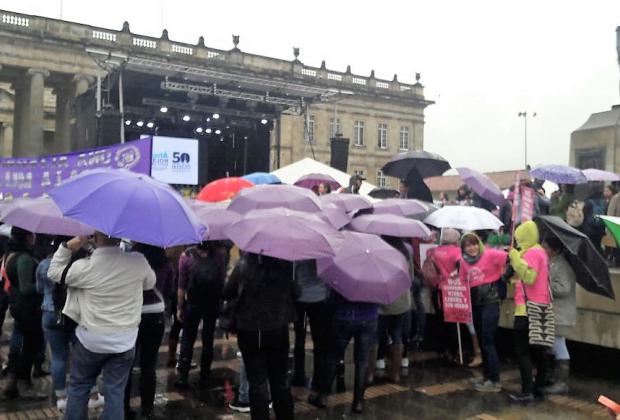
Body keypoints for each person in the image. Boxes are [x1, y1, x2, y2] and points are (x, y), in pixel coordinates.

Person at [47, 233, 156, 420]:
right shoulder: (138, 261)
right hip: (125, 340)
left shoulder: (84, 267)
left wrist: (68, 246)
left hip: (91, 340)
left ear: (94, 238)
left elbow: (54, 272)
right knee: (115, 391)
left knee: (79, 386)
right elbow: (150, 283)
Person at [36, 236, 104, 411]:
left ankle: (61, 398)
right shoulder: (81, 262)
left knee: (58, 357)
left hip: (50, 313)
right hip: (74, 314)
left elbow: (39, 289)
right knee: (82, 356)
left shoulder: (44, 264)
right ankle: (93, 394)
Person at [230, 253, 296, 420]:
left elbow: (228, 291)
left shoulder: (244, 264)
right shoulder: (286, 264)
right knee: (280, 380)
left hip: (251, 329)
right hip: (278, 328)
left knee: (257, 382)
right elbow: (297, 292)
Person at [125, 243, 175, 418]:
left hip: (133, 313)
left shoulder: (131, 259)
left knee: (128, 364)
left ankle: (124, 408)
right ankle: (147, 409)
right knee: (149, 364)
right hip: (156, 315)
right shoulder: (166, 264)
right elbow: (169, 291)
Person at [309, 289, 378, 414]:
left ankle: (323, 396)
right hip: (369, 318)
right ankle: (358, 403)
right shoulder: (378, 274)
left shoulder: (346, 270)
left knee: (333, 357)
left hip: (345, 317)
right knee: (362, 362)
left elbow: (333, 298)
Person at [507, 221, 552, 404]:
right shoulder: (539, 251)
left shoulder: (532, 252)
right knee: (537, 350)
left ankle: (527, 392)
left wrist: (515, 257)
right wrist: (514, 281)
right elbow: (530, 280)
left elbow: (530, 277)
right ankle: (539, 387)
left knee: (522, 352)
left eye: (519, 238)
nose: (517, 242)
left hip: (526, 311)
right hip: (538, 306)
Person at [1, 227, 46, 400]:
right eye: (32, 234)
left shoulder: (11, 255)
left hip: (20, 306)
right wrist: (44, 285)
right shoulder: (25, 259)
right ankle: (23, 384)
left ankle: (12, 384)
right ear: (26, 237)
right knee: (29, 346)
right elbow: (27, 287)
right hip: (28, 308)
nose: (35, 236)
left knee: (22, 345)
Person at [175, 241, 227, 389]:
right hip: (212, 304)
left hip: (193, 303)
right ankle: (205, 376)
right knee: (208, 338)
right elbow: (222, 280)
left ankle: (183, 377)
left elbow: (181, 285)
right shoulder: (219, 256)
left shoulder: (186, 256)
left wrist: (179, 307)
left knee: (187, 338)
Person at [459, 233, 507, 393]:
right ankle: (487, 376)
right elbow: (463, 280)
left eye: (474, 244)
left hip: (490, 301)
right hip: (475, 303)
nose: (472, 248)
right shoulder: (463, 262)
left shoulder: (490, 253)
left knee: (488, 340)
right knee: (481, 340)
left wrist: (504, 277)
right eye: (468, 245)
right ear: (463, 248)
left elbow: (510, 258)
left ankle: (494, 380)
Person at [369, 236, 412, 385]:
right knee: (397, 335)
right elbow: (410, 277)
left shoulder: (377, 252)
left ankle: (369, 374)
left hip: (380, 300)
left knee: (374, 336)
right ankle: (395, 374)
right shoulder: (406, 252)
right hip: (400, 301)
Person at [541, 236, 576, 395]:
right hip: (553, 313)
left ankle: (561, 382)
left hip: (560, 315)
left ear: (554, 250)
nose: (543, 250)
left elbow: (564, 289)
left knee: (559, 345)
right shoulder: (552, 264)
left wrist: (545, 283)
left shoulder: (562, 266)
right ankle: (552, 377)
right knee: (550, 345)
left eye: (546, 247)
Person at [292, 260, 330, 395]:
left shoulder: (298, 250)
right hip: (319, 300)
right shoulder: (323, 252)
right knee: (319, 340)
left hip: (300, 301)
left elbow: (293, 273)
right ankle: (319, 379)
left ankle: (298, 375)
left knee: (300, 337)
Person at [426, 228, 461, 361]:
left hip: (437, 290)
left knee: (440, 320)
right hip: (453, 291)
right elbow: (461, 269)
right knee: (452, 321)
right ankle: (452, 351)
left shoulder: (433, 251)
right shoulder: (458, 252)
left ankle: (441, 349)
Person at [583, 185, 607, 253]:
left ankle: (593, 261)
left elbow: (584, 214)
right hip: (601, 228)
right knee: (598, 245)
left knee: (591, 246)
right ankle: (601, 259)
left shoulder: (588, 201)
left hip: (591, 228)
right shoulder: (604, 201)